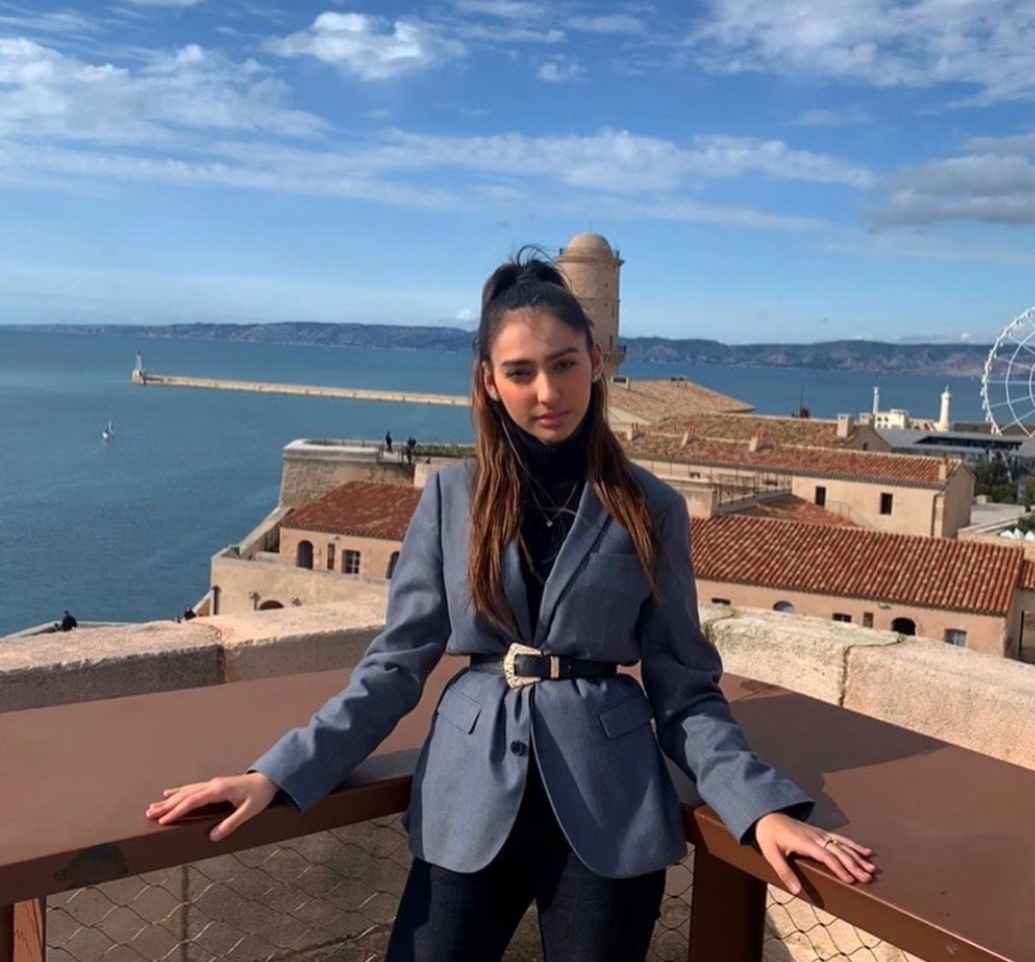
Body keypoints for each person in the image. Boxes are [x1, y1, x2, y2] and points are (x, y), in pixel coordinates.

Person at [146, 251, 875, 961]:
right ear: (489, 383)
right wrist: (279, 772)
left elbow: (684, 687)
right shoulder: (451, 497)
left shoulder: (651, 507)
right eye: (520, 372)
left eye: (564, 364)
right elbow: (395, 666)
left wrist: (758, 807)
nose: (547, 391)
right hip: (467, 797)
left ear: (597, 361)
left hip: (611, 807)